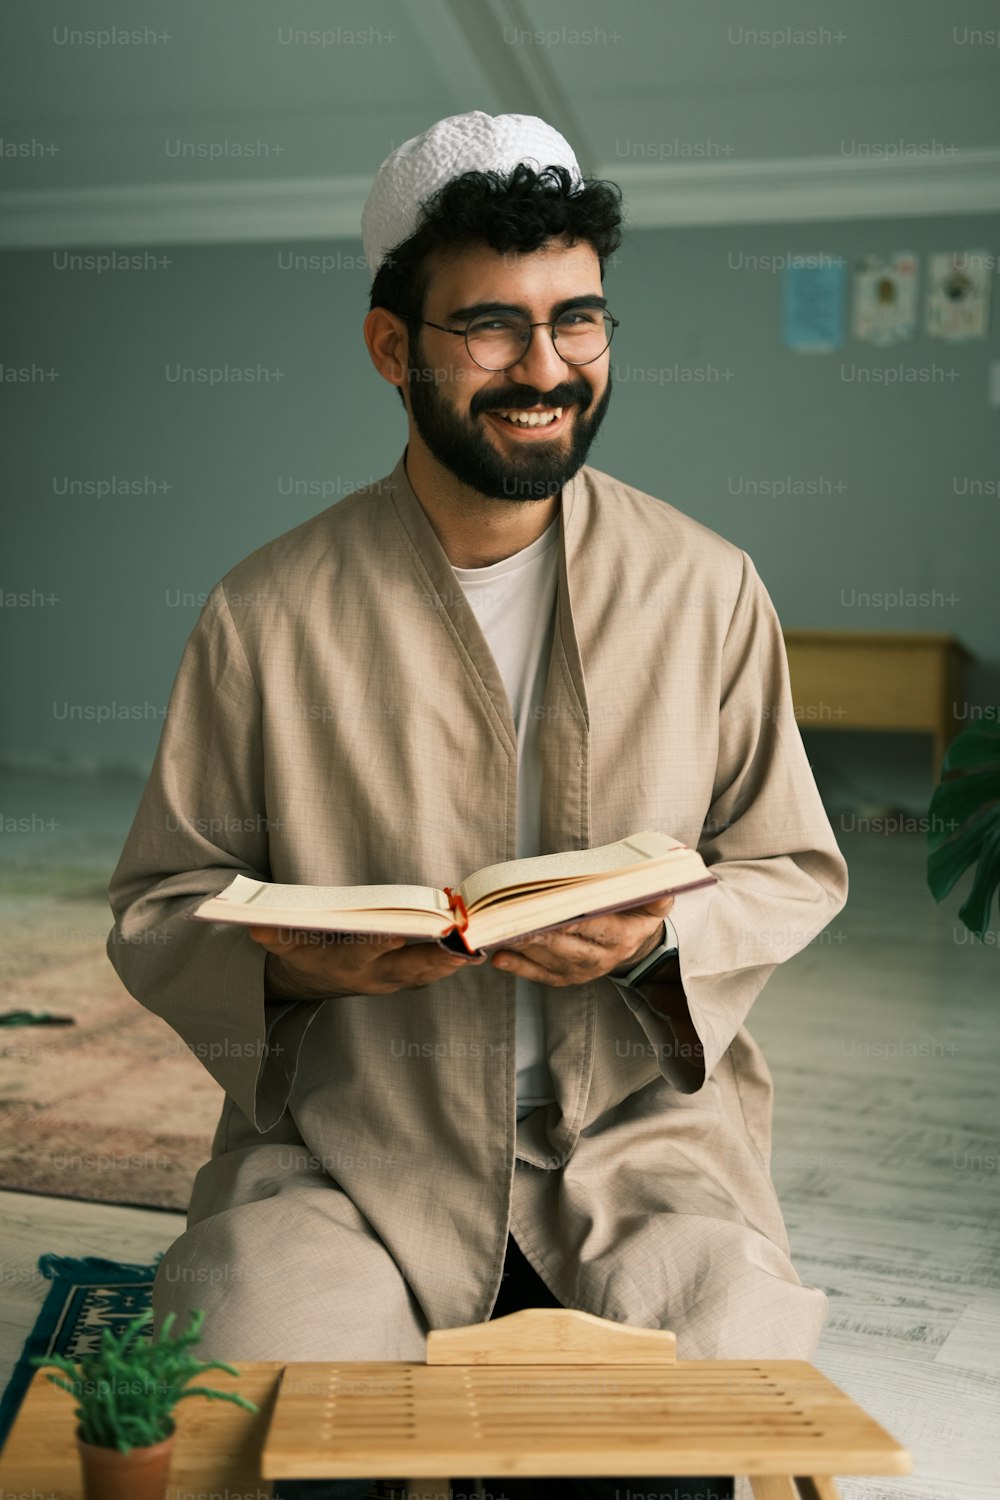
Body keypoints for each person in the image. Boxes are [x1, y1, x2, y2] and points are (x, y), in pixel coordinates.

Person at [107, 112, 848, 1500]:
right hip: (348, 1150)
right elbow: (159, 902)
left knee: (657, 1466)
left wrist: (652, 940)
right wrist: (284, 967)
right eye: (491, 329)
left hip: (635, 1143)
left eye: (579, 322)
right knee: (279, 1452)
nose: (547, 368)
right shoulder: (265, 615)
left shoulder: (709, 587)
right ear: (395, 348)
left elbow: (790, 862)